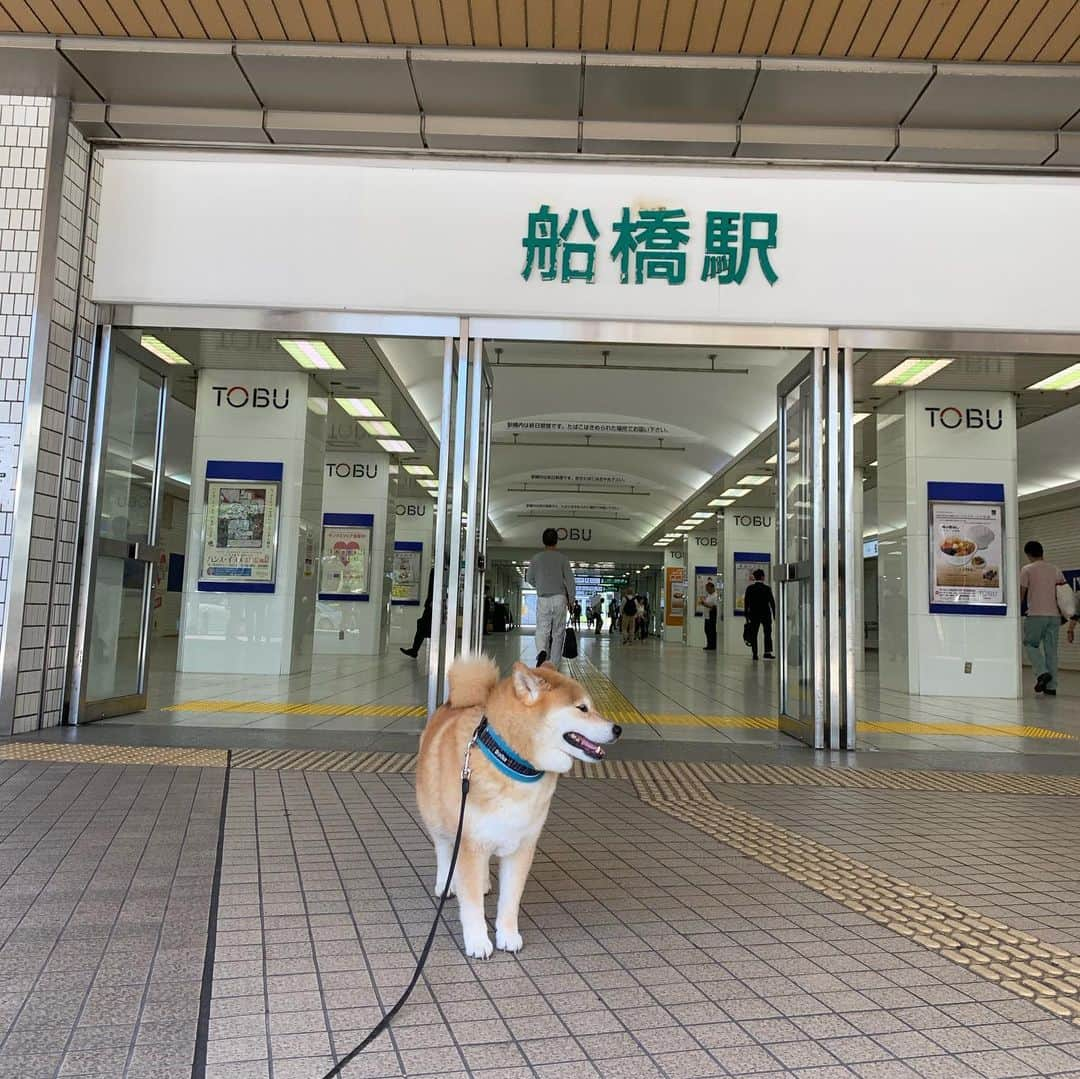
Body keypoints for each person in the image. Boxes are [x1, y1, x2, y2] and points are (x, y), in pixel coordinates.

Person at [1020, 540, 1066, 696]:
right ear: (1042, 552)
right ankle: (1051, 687)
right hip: (1054, 616)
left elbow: (1021, 593)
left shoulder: (1027, 569)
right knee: (1051, 651)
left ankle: (1041, 672)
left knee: (1030, 644)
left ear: (1028, 554)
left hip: (1035, 614)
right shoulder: (1055, 569)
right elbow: (1063, 594)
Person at [526, 528, 575, 667]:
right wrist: (571, 600)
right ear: (556, 541)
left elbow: (529, 578)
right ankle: (553, 666)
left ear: (543, 541)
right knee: (558, 633)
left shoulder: (536, 558)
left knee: (542, 629)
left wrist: (540, 585)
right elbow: (570, 581)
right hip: (560, 598)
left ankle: (542, 650)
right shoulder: (563, 558)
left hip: (543, 598)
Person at [400, 566, 436, 659]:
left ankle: (415, 650)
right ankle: (414, 650)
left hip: (433, 604)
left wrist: (432, 601)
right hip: (432, 604)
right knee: (422, 626)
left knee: (423, 627)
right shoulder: (435, 570)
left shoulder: (436, 570)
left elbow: (433, 588)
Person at [744, 569, 776, 661]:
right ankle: (767, 652)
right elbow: (772, 603)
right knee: (767, 633)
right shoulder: (767, 588)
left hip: (753, 614)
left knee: (754, 634)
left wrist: (746, 615)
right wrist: (774, 615)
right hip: (766, 614)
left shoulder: (750, 588)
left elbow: (746, 603)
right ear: (762, 577)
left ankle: (755, 654)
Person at [701, 580, 718, 651]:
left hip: (712, 616)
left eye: (708, 589)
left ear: (712, 588)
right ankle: (709, 644)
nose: (707, 590)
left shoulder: (715, 595)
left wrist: (705, 604)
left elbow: (715, 607)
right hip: (707, 616)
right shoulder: (709, 595)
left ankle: (712, 645)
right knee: (707, 630)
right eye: (706, 589)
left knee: (712, 631)